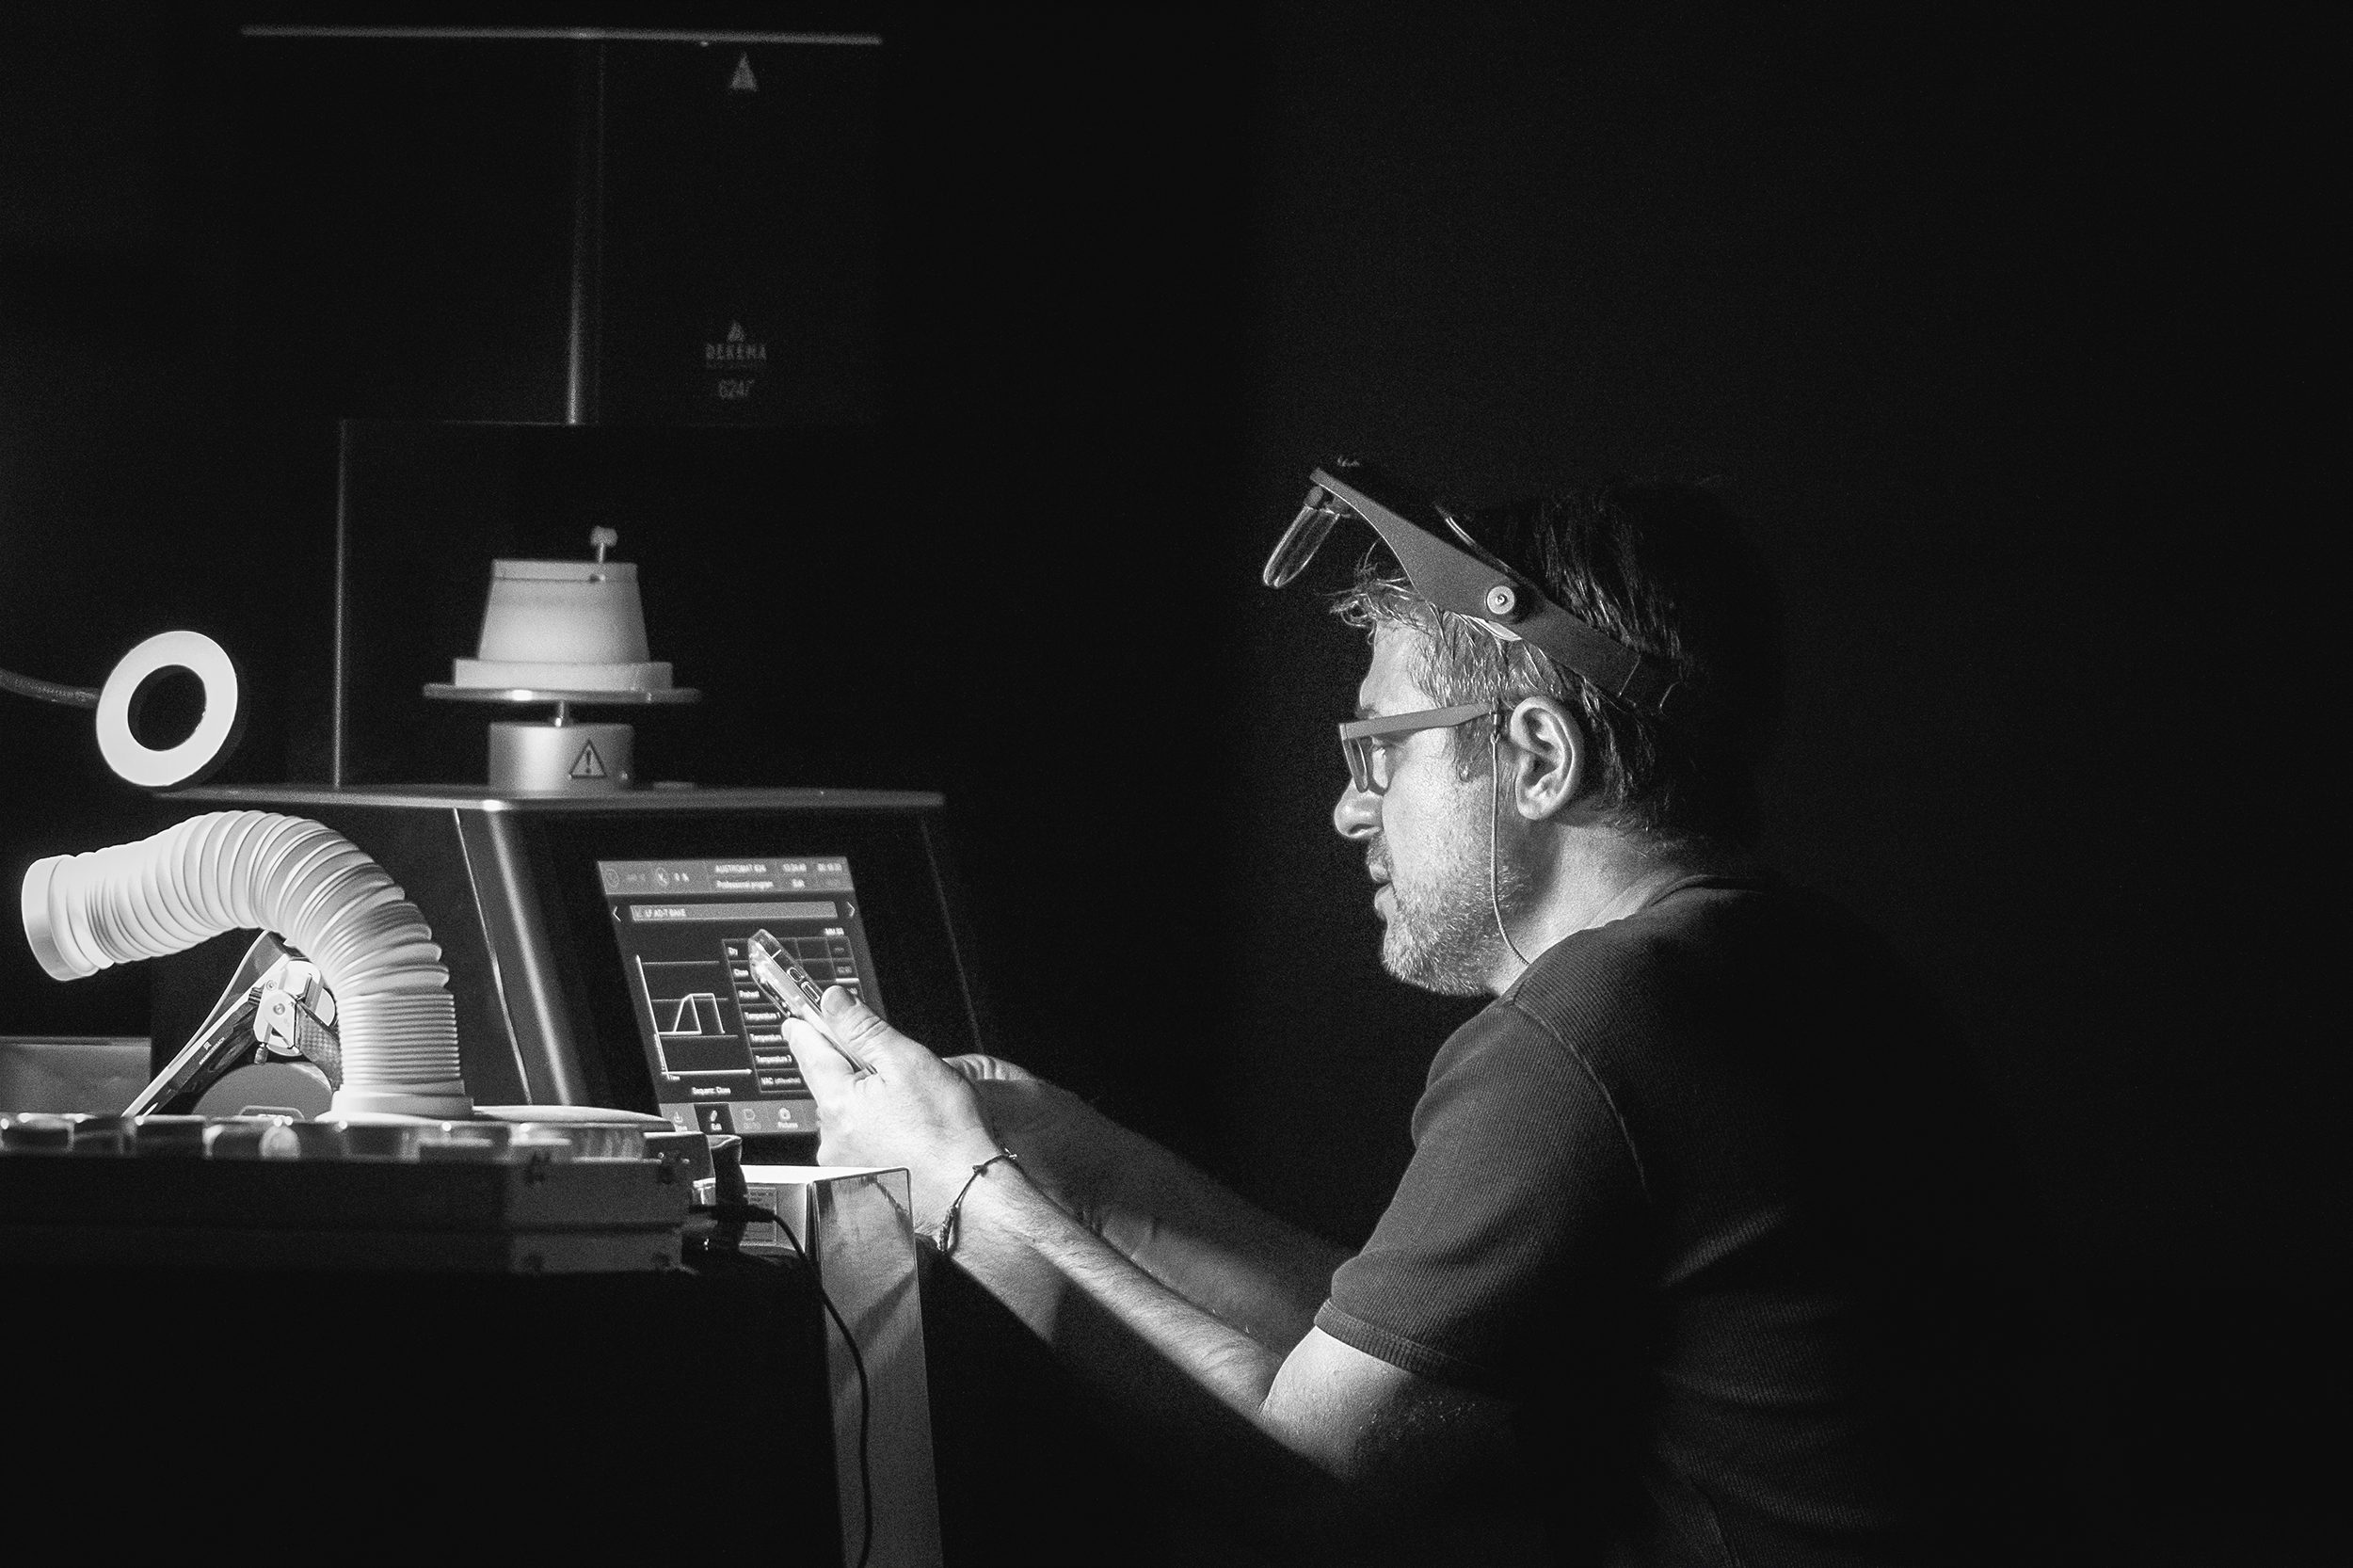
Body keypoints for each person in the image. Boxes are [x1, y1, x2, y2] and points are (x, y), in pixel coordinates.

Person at [784, 476, 2048, 1566]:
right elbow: (1395, 1372)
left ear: (1538, 756)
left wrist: (959, 1190)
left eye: (1382, 750)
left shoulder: (1591, 1028)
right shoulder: (1797, 964)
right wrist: (1084, 1165)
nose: (1350, 809)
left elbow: (1308, 1476)